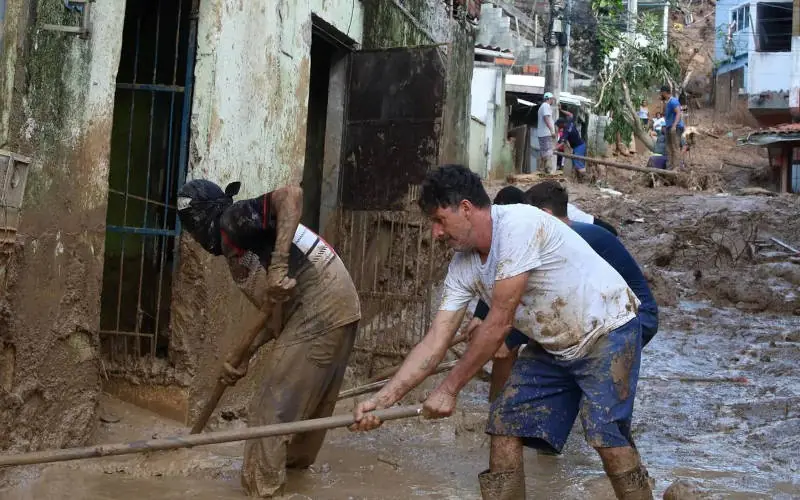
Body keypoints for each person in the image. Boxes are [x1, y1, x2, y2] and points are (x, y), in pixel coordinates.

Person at [350, 165, 652, 500]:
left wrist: (449, 389)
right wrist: (383, 400)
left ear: (465, 208)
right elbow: (436, 339)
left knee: (605, 434)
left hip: (607, 329)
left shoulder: (518, 225)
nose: (435, 233)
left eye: (439, 220)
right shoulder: (462, 266)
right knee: (504, 423)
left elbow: (499, 324)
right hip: (553, 345)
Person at [177, 179, 361, 498]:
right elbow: (277, 315)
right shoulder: (240, 248)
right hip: (339, 303)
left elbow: (291, 194)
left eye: (191, 229)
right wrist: (244, 355)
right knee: (307, 409)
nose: (193, 238)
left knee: (269, 409)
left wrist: (277, 266)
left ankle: (264, 491)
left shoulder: (231, 220)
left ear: (198, 221)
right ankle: (296, 479)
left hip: (320, 300)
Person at [525, 181, 658, 346]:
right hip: (613, 312)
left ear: (545, 214)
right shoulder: (575, 232)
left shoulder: (570, 240)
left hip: (635, 317)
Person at [660, 85, 684, 170]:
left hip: (675, 127)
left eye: (661, 93)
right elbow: (665, 115)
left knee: (674, 147)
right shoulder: (668, 102)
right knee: (668, 148)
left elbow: (678, 113)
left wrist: (674, 126)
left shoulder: (673, 101)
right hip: (669, 127)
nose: (661, 95)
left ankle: (676, 167)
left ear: (665, 92)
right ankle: (669, 167)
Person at [536, 92, 557, 174]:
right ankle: (548, 170)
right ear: (549, 99)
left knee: (544, 151)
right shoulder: (546, 106)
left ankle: (543, 169)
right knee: (548, 151)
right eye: (552, 99)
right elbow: (546, 118)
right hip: (545, 133)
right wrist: (552, 130)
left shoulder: (542, 106)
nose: (552, 101)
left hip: (542, 133)